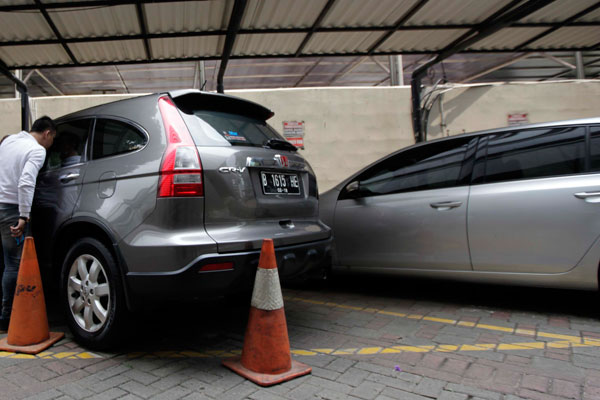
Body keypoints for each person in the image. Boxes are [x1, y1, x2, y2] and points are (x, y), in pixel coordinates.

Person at [0, 116, 56, 331]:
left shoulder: (9, 141)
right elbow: (26, 182)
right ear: (47, 133)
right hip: (11, 209)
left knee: (5, 261)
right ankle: (8, 317)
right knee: (15, 264)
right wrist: (24, 216)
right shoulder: (37, 150)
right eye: (53, 139)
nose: (51, 144)